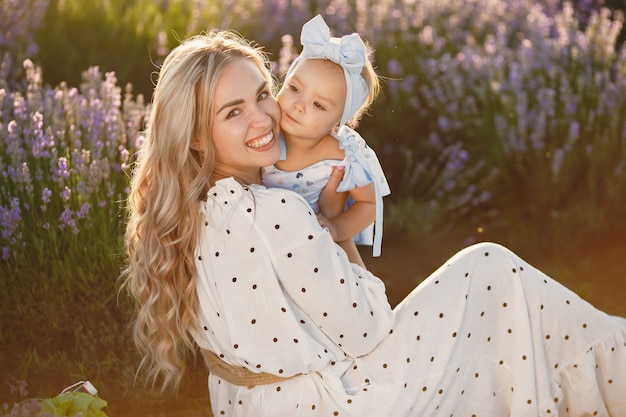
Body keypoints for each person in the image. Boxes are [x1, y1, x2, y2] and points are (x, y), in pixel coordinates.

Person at [122, 22, 626, 417]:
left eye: (261, 94)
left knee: (497, 290)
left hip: (257, 404)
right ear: (192, 135)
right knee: (490, 272)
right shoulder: (276, 213)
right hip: (335, 404)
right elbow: (367, 330)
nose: (263, 118)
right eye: (232, 112)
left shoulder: (193, 207)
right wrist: (336, 229)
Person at [261, 15, 391, 266]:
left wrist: (337, 228)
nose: (298, 106)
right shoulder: (265, 134)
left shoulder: (341, 156)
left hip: (318, 252)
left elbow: (369, 203)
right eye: (295, 88)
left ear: (337, 123)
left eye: (318, 104)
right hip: (268, 246)